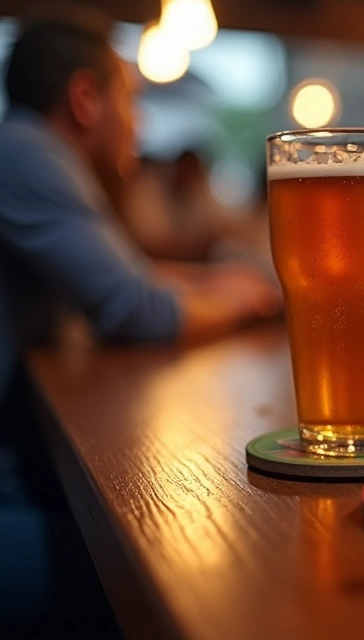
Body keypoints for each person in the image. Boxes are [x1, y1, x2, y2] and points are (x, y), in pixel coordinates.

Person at [0, 10, 279, 633]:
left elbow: (131, 274)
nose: (140, 121)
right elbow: (136, 310)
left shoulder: (27, 150)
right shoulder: (28, 155)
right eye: (131, 98)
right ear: (84, 98)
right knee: (151, 573)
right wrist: (253, 300)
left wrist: (215, 283)